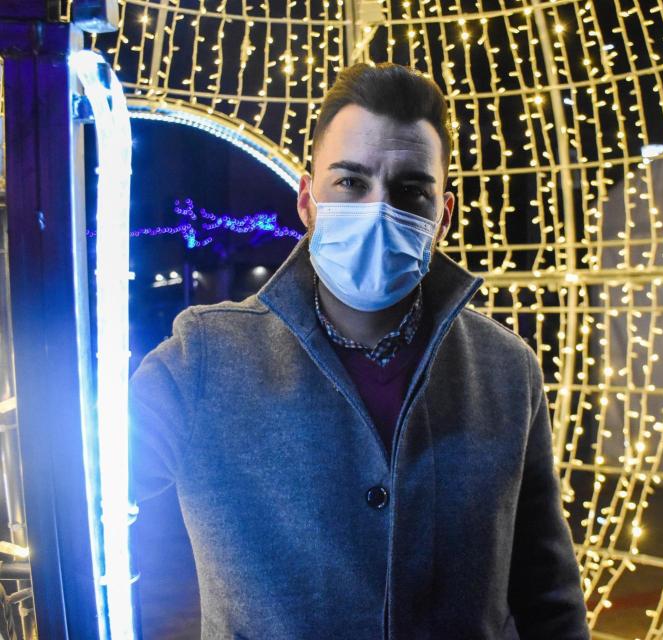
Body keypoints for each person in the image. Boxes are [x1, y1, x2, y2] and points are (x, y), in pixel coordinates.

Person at [129, 62, 590, 640]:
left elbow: (545, 589)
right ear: (307, 201)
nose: (377, 210)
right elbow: (88, 485)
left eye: (410, 191)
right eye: (350, 182)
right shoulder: (204, 357)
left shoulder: (505, 369)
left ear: (442, 215)